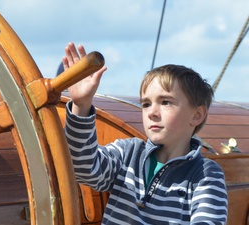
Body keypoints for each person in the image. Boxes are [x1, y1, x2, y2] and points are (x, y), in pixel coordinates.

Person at [63, 42, 228, 224]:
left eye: (166, 102)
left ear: (196, 115)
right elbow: (82, 169)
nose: (152, 112)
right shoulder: (128, 153)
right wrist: (81, 105)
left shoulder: (205, 175)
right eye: (146, 104)